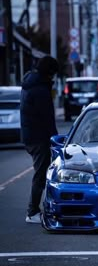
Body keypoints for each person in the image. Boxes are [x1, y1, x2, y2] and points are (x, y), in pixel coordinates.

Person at [20, 55, 59, 224]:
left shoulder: (31, 83)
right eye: (53, 73)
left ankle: (36, 209)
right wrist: (55, 138)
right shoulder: (40, 89)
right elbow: (47, 118)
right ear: (49, 72)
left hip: (30, 135)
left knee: (41, 172)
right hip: (39, 137)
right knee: (41, 174)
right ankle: (32, 211)